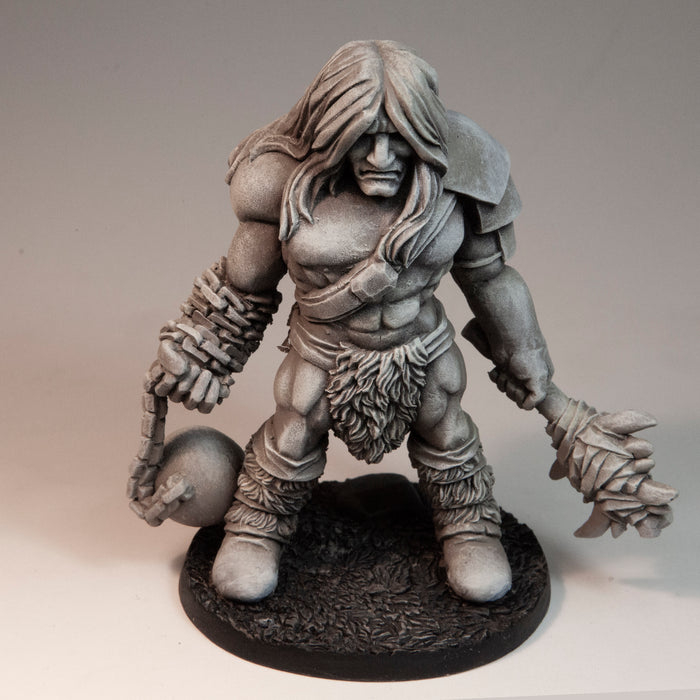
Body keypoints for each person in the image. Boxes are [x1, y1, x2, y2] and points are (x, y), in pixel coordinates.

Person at [143, 40, 554, 603]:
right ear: (332, 130)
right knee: (294, 431)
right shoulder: (282, 187)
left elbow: (491, 278)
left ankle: (469, 526)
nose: (381, 157)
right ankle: (257, 527)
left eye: (398, 137)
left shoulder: (461, 175)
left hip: (423, 348)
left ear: (424, 131)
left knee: (447, 430)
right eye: (363, 137)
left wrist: (525, 349)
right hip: (322, 349)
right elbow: (243, 287)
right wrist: (201, 354)